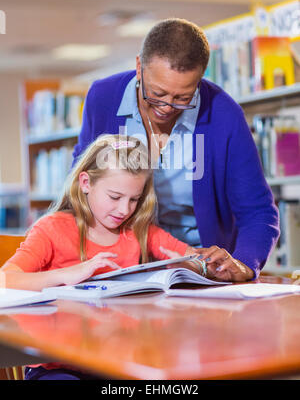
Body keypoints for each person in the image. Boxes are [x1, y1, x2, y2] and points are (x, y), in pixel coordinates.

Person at [72, 18, 280, 282]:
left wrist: (244, 264)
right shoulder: (103, 98)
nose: (167, 107)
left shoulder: (224, 114)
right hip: (118, 267)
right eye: (157, 93)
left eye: (183, 98)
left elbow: (258, 211)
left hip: (197, 271)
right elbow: (80, 188)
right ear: (139, 67)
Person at [1, 134, 209, 380]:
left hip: (118, 360)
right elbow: (6, 280)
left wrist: (192, 265)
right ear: (86, 183)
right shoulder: (52, 229)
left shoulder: (138, 230)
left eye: (134, 200)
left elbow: (196, 258)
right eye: (114, 197)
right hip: (57, 365)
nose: (124, 210)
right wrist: (66, 275)